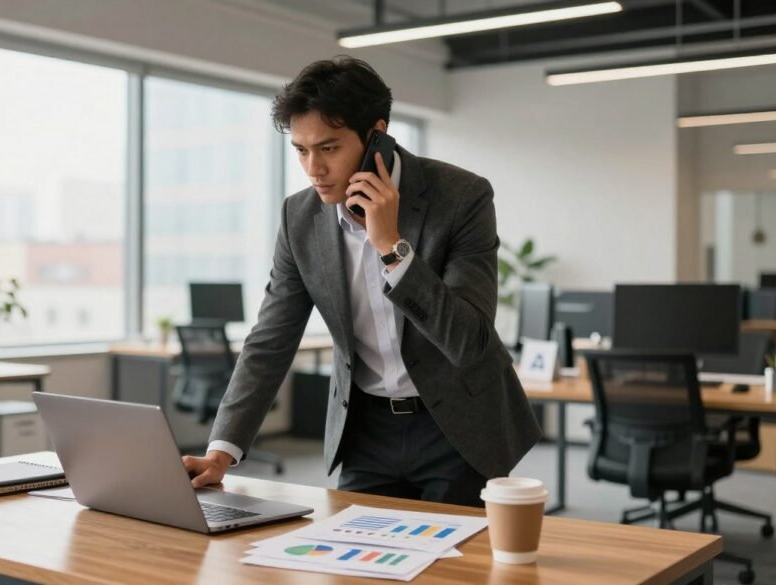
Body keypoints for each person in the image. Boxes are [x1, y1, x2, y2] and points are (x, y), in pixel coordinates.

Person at [182, 56, 541, 505]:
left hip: (457, 427)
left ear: (377, 135)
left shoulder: (461, 197)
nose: (313, 168)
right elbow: (271, 338)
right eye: (300, 150)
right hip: (365, 430)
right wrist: (221, 452)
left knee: (455, 571)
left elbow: (469, 341)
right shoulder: (300, 216)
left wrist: (392, 246)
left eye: (328, 148)